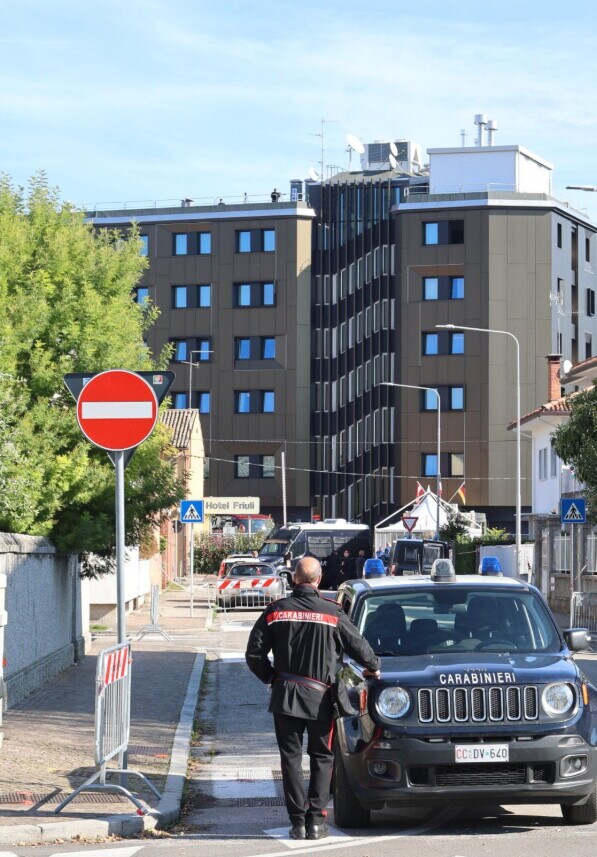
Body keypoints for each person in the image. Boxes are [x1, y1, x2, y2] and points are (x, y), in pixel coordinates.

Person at [245, 557, 380, 841]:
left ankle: (297, 823)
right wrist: (373, 666)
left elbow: (254, 654)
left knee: (290, 759)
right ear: (318, 580)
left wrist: (272, 678)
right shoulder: (331, 612)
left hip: (285, 696)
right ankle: (316, 822)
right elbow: (359, 646)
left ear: (295, 578)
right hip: (320, 698)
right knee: (322, 757)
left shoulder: (276, 611)